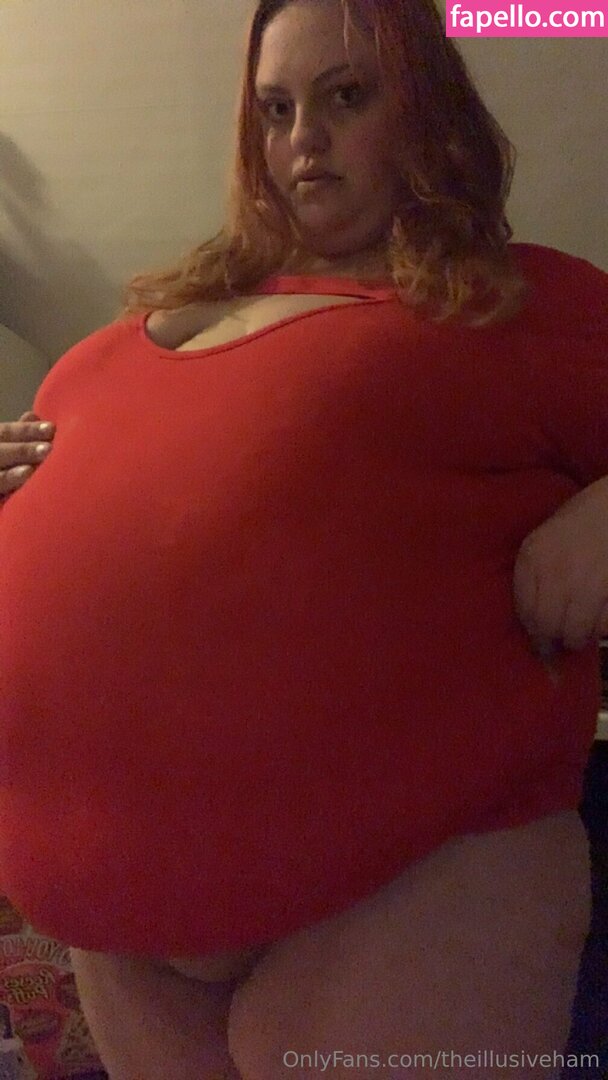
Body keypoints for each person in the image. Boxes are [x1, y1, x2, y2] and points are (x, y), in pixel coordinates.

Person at [0, 0, 606, 1076]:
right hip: (120, 911)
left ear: (424, 109)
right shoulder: (163, 312)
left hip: (416, 876)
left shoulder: (522, 301)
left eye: (346, 96)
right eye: (274, 109)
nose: (302, 141)